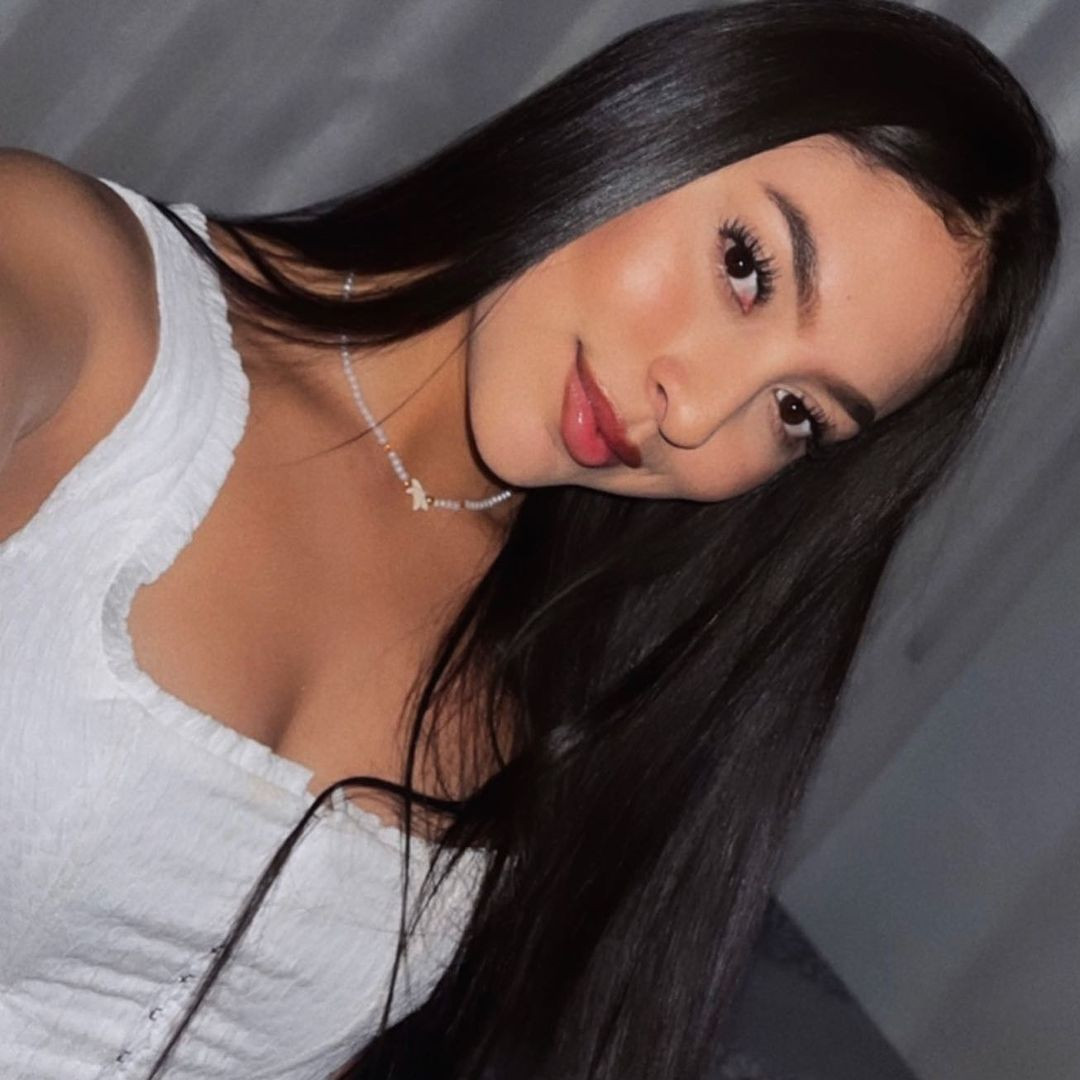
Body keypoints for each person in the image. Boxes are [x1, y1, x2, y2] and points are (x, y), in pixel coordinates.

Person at [0, 0, 1060, 1077]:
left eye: (797, 412)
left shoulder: (558, 693)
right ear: (662, 117)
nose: (696, 414)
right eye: (747, 266)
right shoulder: (77, 299)